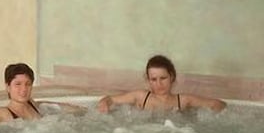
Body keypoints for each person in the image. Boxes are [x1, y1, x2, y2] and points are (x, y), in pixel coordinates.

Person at [96, 54, 226, 114]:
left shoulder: (183, 100)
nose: (159, 84)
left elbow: (219, 104)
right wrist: (104, 104)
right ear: (148, 80)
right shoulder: (141, 97)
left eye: (163, 78)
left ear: (172, 77)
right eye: (154, 79)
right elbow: (109, 99)